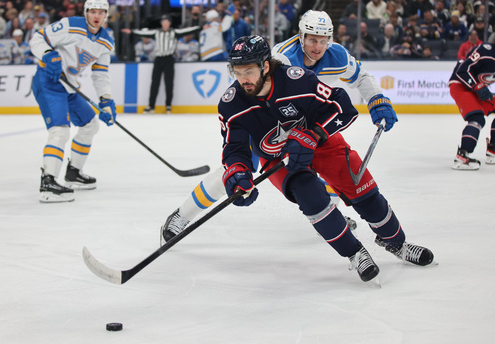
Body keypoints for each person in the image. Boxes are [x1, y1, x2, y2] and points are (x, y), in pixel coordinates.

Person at [160, 10, 399, 248]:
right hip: (269, 125)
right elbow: (257, 92)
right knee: (234, 174)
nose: (317, 46)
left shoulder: (337, 55)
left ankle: (330, 214)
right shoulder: (283, 58)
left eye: (323, 40)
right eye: (312, 39)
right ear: (301, 36)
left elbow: (360, 77)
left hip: (305, 120)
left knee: (325, 164)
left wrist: (376, 99)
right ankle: (182, 215)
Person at [218, 35, 433, 283]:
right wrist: (237, 174)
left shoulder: (296, 80)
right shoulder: (231, 103)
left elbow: (343, 106)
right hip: (276, 157)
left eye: (249, 71)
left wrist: (314, 134)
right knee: (311, 197)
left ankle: (397, 243)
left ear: (265, 66)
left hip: (320, 141)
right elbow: (234, 149)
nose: (243, 78)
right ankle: (355, 253)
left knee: (364, 192)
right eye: (237, 71)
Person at [29, 0, 117, 203]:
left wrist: (106, 101)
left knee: (90, 124)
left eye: (101, 12)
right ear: (86, 13)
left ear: (106, 15)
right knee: (60, 130)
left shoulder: (106, 42)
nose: (97, 16)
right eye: (93, 11)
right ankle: (48, 182)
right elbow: (38, 39)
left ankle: (73, 173)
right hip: (48, 82)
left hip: (69, 87)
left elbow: (100, 74)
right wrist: (48, 55)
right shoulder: (70, 24)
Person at [139, 15, 200, 114]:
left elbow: (187, 31)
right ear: (161, 23)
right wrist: (132, 32)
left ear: (170, 23)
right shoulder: (156, 32)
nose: (165, 24)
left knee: (169, 83)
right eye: (163, 22)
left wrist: (200, 27)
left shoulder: (174, 32)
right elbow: (143, 33)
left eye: (167, 22)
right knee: (154, 83)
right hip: (158, 59)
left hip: (169, 59)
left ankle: (168, 105)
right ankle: (151, 106)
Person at [448, 43, 495, 170]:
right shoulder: (487, 50)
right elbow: (463, 70)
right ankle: (462, 155)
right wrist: (478, 86)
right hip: (460, 85)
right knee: (477, 119)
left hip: (475, 88)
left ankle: (493, 150)